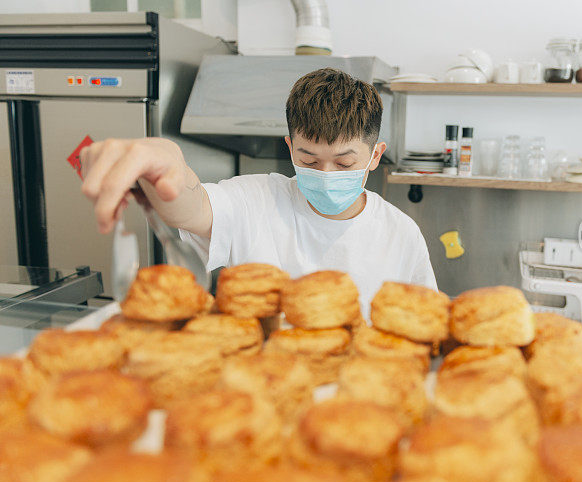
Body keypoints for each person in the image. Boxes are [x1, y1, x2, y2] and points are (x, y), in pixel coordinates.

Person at [80, 68, 437, 308]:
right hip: (261, 394)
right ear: (289, 147)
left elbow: (425, 325)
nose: (326, 174)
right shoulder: (257, 200)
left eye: (344, 163)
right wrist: (166, 164)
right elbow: (192, 208)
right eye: (309, 160)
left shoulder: (400, 233)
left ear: (375, 156)